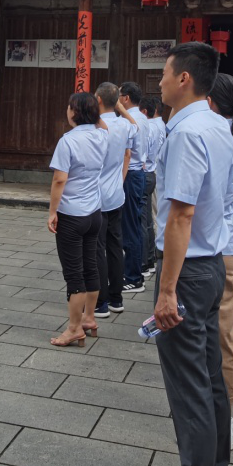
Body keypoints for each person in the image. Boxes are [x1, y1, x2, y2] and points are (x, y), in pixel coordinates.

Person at [138, 42, 233, 466]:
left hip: (187, 269)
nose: (158, 82)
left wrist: (166, 290)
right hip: (211, 264)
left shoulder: (186, 133)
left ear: (183, 79)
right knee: (210, 380)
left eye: (164, 73)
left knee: (190, 392)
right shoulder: (220, 128)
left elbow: (180, 215)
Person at [205, 72, 233, 448]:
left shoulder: (221, 139)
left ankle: (225, 415)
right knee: (223, 328)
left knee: (222, 330)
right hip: (225, 241)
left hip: (218, 245)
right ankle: (220, 410)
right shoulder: (232, 138)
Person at [46, 92, 108, 347]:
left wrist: (52, 211)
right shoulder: (102, 135)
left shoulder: (68, 140)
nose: (67, 111)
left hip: (72, 214)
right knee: (90, 266)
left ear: (75, 112)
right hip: (94, 212)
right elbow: (103, 124)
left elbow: (60, 179)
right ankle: (89, 318)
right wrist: (95, 111)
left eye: (70, 107)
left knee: (74, 273)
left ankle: (74, 328)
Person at [94, 82, 136, 319]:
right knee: (114, 246)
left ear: (99, 100)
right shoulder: (124, 125)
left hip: (96, 195)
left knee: (97, 247)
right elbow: (135, 132)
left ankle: (100, 302)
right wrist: (122, 109)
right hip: (116, 193)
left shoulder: (95, 126)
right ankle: (116, 298)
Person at [120, 82, 150, 294]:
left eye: (120, 96)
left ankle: (133, 277)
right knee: (134, 224)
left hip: (130, 174)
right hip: (138, 172)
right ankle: (133, 271)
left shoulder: (131, 119)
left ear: (126, 98)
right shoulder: (142, 117)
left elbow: (127, 152)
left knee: (130, 226)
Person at [139, 97, 166, 277]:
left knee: (145, 220)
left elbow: (144, 154)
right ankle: (150, 259)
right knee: (149, 218)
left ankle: (145, 260)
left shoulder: (150, 127)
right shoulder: (161, 125)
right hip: (154, 173)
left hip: (148, 172)